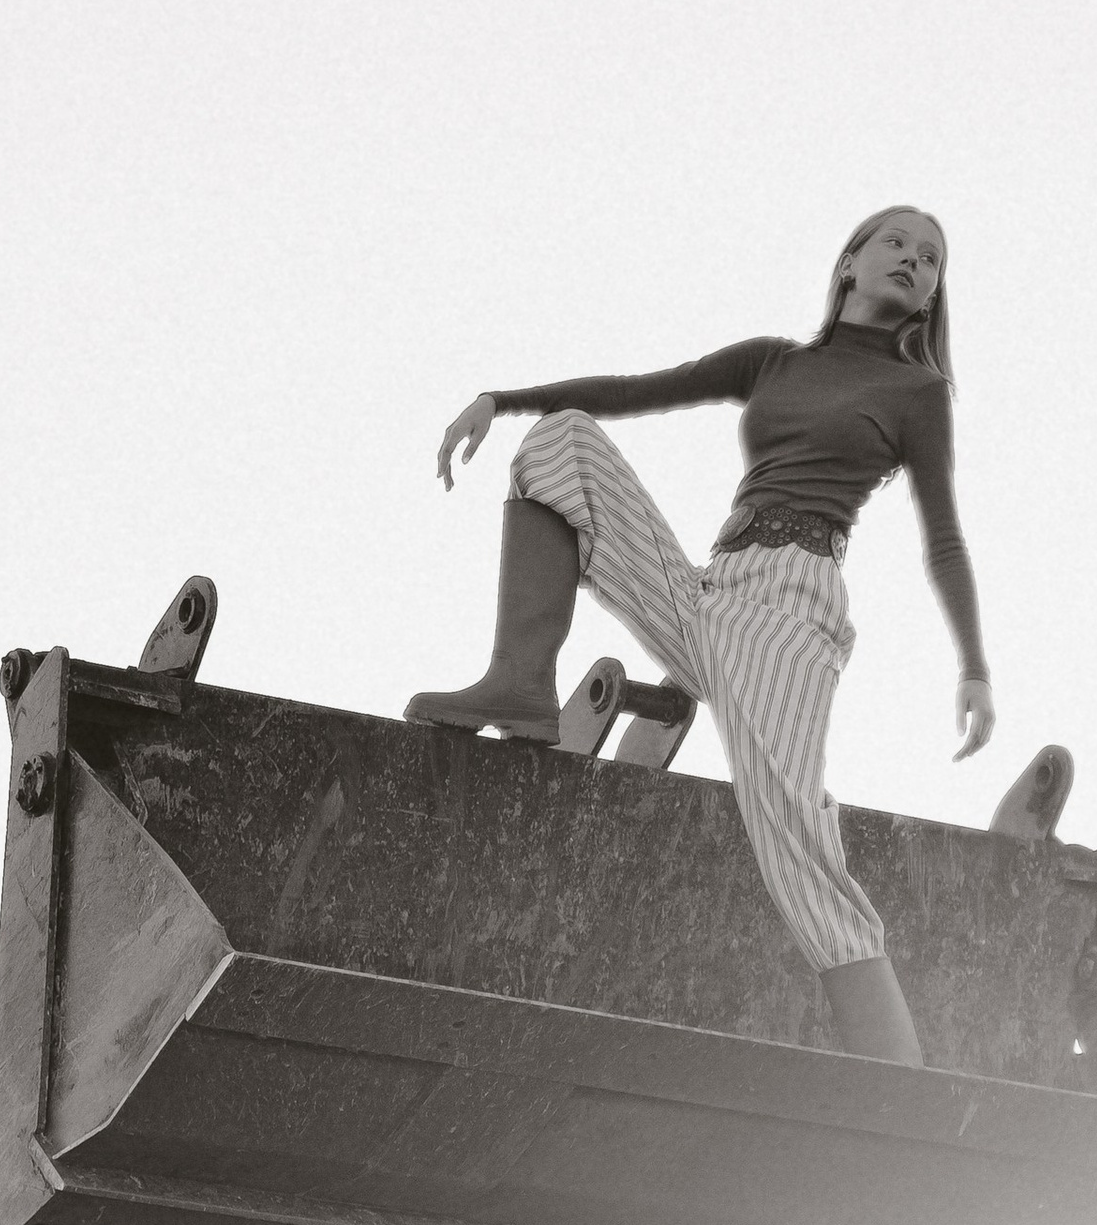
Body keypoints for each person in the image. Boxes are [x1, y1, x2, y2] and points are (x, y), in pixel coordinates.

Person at [405, 206, 994, 1066]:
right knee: (560, 444)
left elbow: (943, 534)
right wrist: (502, 399)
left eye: (932, 259)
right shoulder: (773, 362)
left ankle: (898, 1080)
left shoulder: (917, 393)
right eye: (897, 243)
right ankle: (520, 684)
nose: (915, 260)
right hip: (712, 590)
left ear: (933, 293)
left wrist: (973, 666)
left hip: (791, 612)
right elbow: (640, 390)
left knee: (790, 834)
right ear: (850, 263)